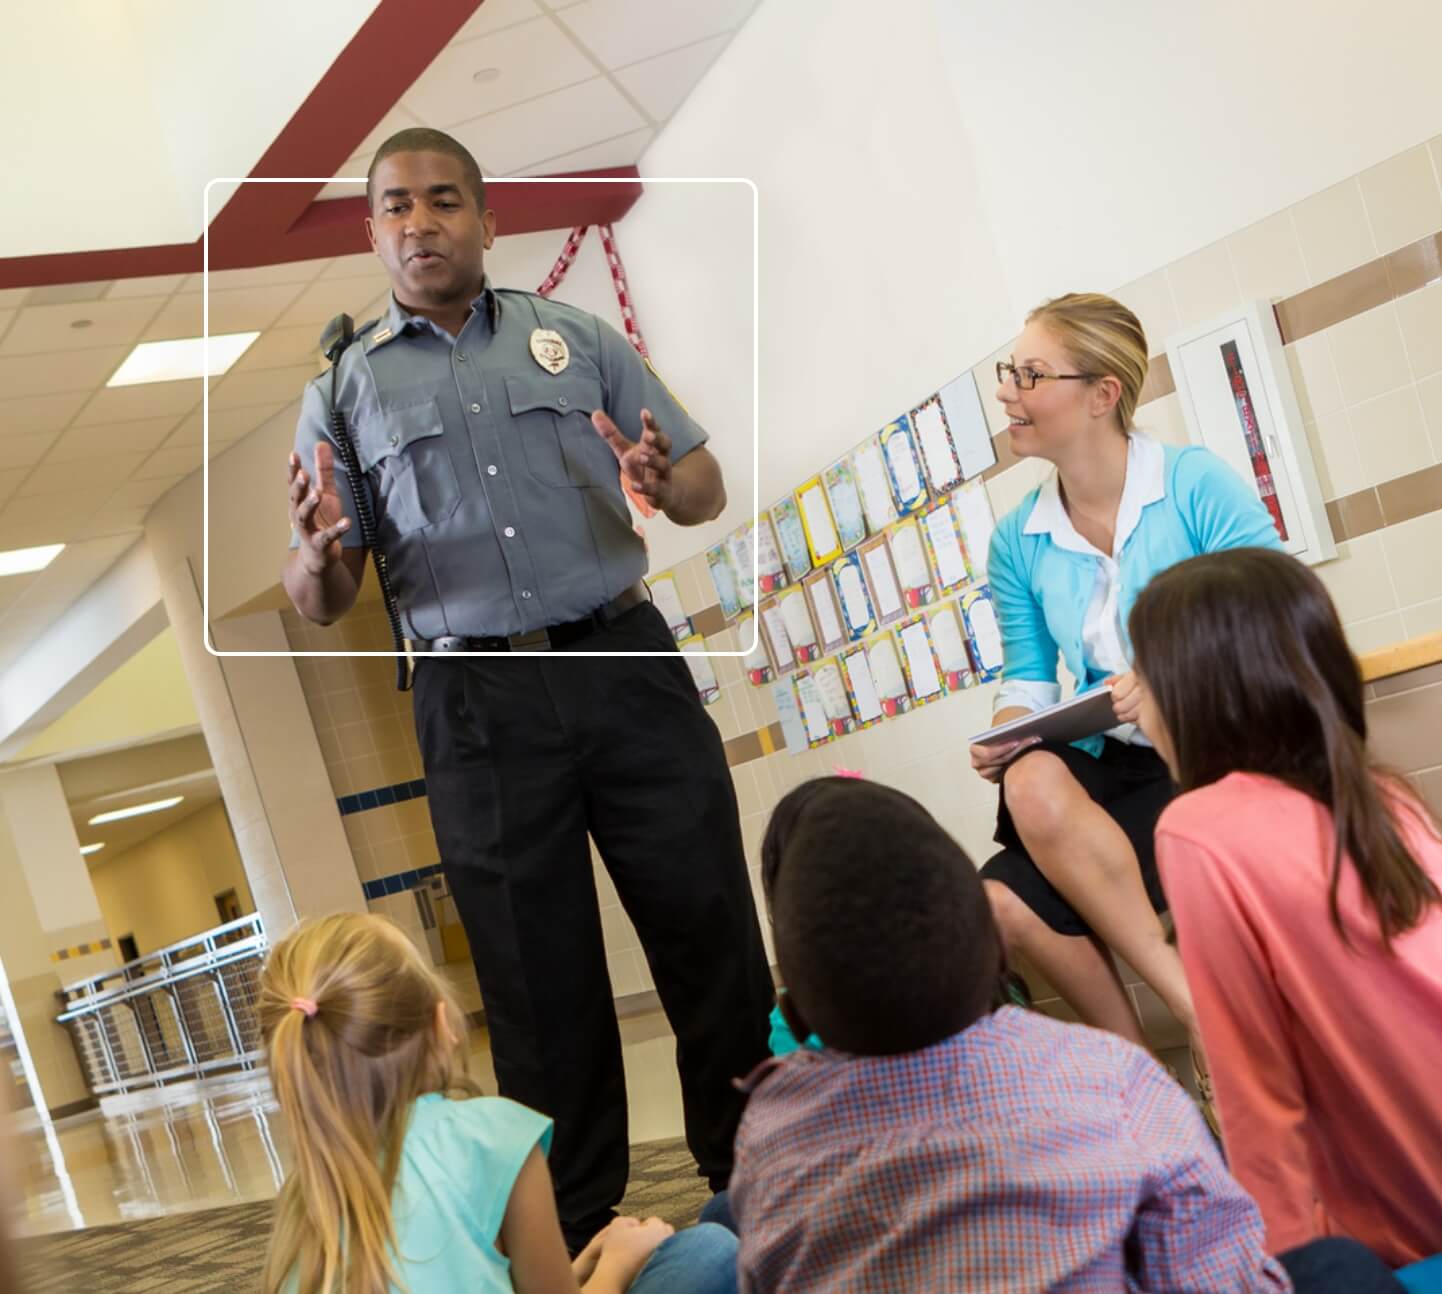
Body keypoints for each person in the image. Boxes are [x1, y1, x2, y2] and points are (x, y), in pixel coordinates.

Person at [282, 127, 774, 1252]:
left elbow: (699, 482)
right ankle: (584, 1232)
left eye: (443, 200)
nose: (420, 223)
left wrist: (664, 475)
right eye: (396, 206)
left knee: (708, 926)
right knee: (532, 979)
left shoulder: (576, 338)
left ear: (486, 220)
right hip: (475, 703)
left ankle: (763, 1179)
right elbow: (321, 591)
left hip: (621, 657)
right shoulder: (345, 393)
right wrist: (313, 551)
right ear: (371, 233)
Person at [726, 776, 1404, 1292]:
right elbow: (1214, 1275)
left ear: (799, 1015)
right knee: (1339, 1265)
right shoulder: (1107, 1076)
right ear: (1000, 956)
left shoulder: (770, 1135)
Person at [973, 291, 1282, 1053]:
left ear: (1103, 395)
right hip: (1117, 769)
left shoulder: (1192, 483)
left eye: (1031, 374)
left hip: (1219, 748)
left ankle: (1193, 1049)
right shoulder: (1017, 539)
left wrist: (1171, 673)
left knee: (1009, 892)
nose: (1008, 390)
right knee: (1011, 847)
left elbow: (1278, 605)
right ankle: (1154, 1065)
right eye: (1010, 370)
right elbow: (1028, 676)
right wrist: (1011, 730)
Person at [1130, 547, 1442, 1270]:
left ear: (1197, 694)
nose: (1137, 707)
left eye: (1142, 680)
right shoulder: (1385, 799)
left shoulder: (1199, 832)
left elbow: (1254, 1090)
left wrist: (1282, 1268)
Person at [258, 912, 738, 1294]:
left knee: (725, 1211)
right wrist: (618, 1263)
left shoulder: (309, 1189)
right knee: (710, 1248)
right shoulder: (488, 1136)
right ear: (440, 1025)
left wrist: (580, 1267)